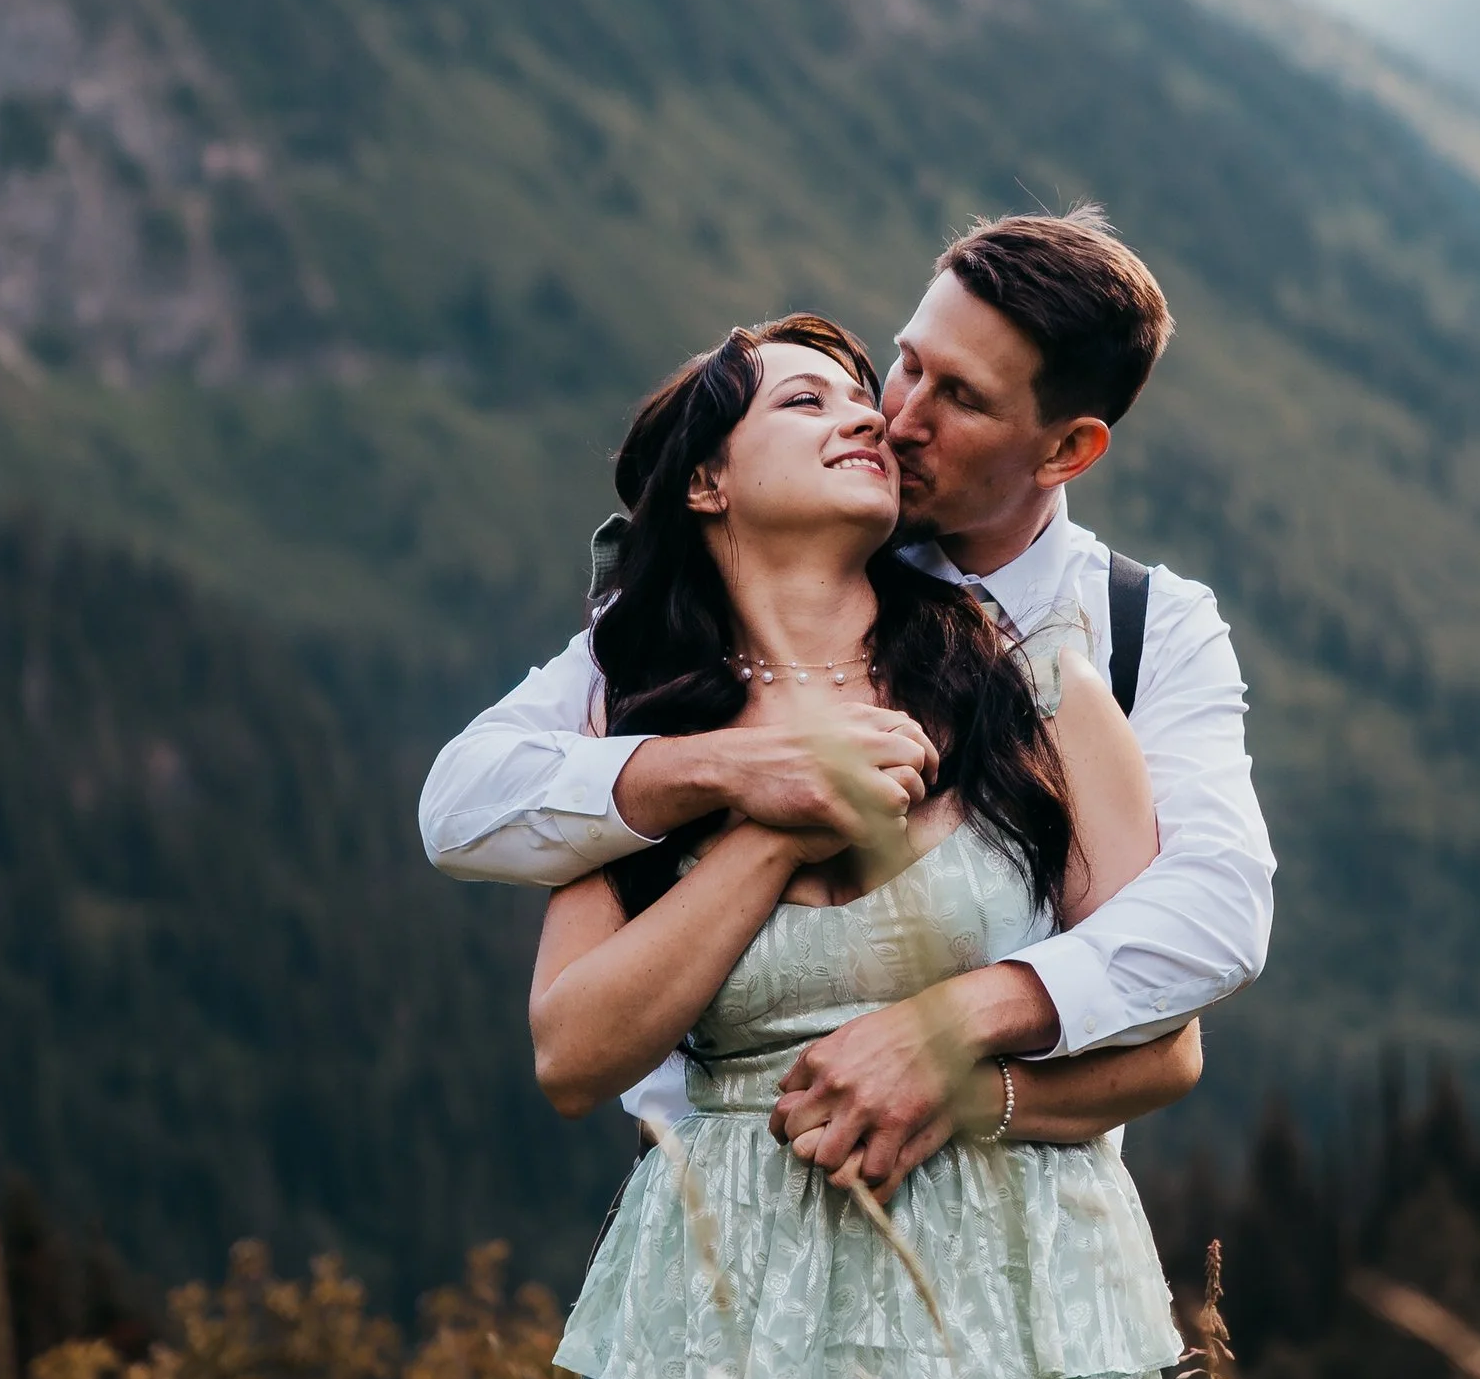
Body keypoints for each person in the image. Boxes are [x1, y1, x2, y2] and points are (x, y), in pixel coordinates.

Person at [519, 311, 1199, 1379]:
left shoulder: (1038, 687)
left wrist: (954, 1067)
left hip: (1007, 1311)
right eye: (805, 399)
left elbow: (1164, 1036)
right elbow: (574, 1048)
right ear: (705, 489)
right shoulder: (638, 741)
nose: (863, 418)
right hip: (739, 1329)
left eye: (861, 394)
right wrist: (770, 811)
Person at [419, 209, 1274, 1170]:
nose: (895, 417)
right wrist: (734, 771)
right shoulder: (689, 639)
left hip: (1010, 1229)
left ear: (1065, 452)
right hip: (718, 1207)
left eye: (962, 398)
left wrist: (949, 1040)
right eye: (907, 363)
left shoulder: (1132, 633)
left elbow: (1212, 916)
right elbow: (461, 805)